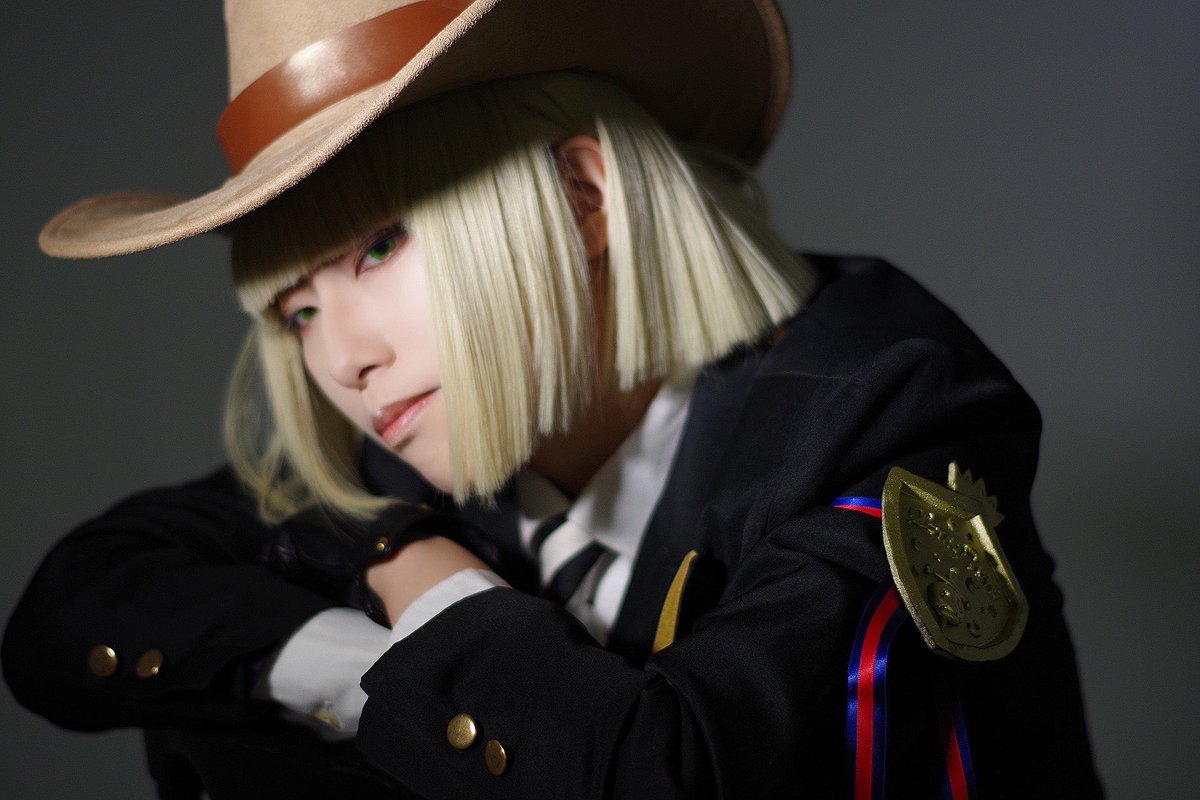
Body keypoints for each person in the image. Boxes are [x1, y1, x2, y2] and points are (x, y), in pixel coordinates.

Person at [4, 1, 1104, 798]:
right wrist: (376, 650)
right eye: (295, 310)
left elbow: (669, 774)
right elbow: (72, 605)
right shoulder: (415, 448)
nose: (341, 359)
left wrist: (424, 593)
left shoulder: (890, 412)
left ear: (582, 196)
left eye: (379, 247)